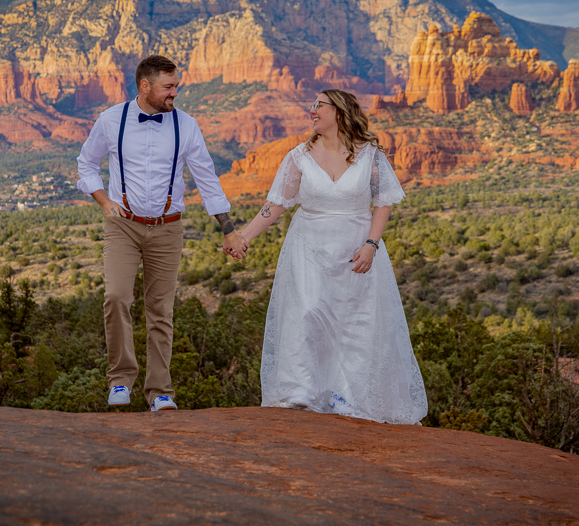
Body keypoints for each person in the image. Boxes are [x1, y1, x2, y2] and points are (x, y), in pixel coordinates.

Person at [236, 89, 427, 424]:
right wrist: (244, 237)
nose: (312, 110)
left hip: (356, 247)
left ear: (339, 112)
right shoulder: (298, 156)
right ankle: (301, 390)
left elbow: (383, 202)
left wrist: (371, 244)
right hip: (308, 245)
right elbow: (277, 203)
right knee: (306, 312)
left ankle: (346, 396)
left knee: (355, 321)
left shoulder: (370, 155)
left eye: (319, 105)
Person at [77, 54, 247, 411]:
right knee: (116, 297)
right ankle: (120, 380)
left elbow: (207, 179)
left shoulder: (186, 125)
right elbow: (86, 163)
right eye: (169, 87)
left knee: (160, 310)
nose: (175, 93)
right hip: (123, 225)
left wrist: (229, 231)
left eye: (176, 86)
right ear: (145, 86)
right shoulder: (111, 120)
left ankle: (159, 392)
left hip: (168, 228)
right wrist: (103, 201)